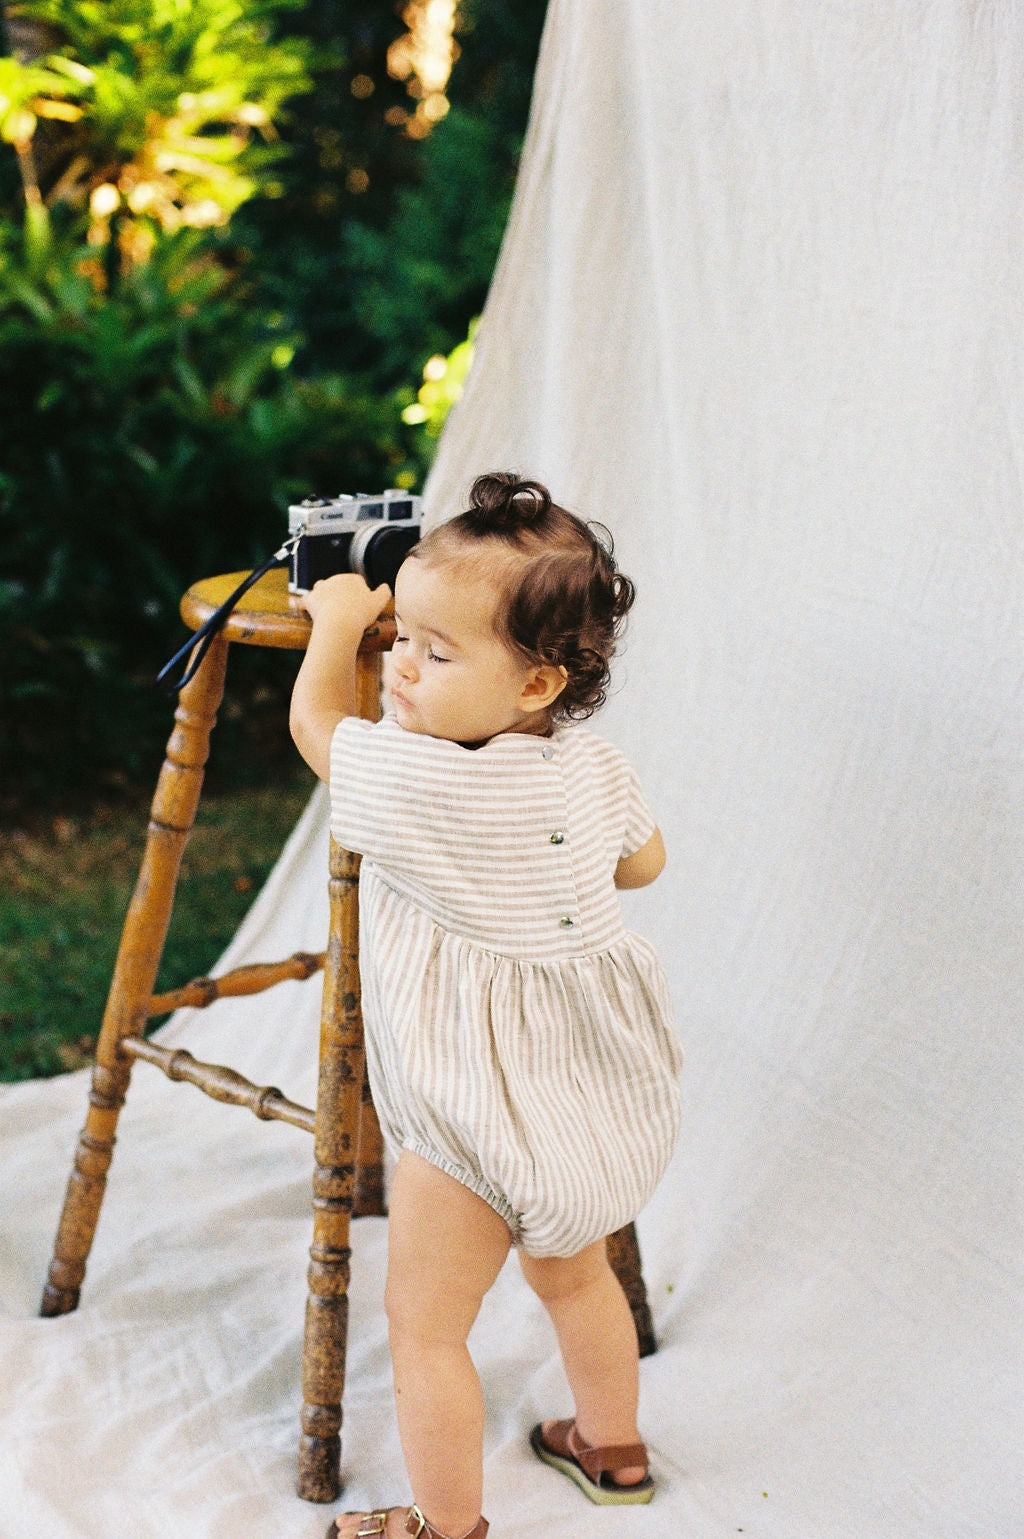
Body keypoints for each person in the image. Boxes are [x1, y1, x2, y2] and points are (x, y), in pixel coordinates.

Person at [290, 472, 682, 1539]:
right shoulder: (592, 765)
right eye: (399, 637)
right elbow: (644, 863)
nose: (401, 664)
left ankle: (445, 1526)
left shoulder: (422, 784)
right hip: (592, 1096)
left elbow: (319, 727)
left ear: (535, 682)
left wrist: (339, 625)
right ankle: (612, 1448)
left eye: (437, 651)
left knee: (425, 1329)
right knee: (578, 1281)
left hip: (468, 1107)